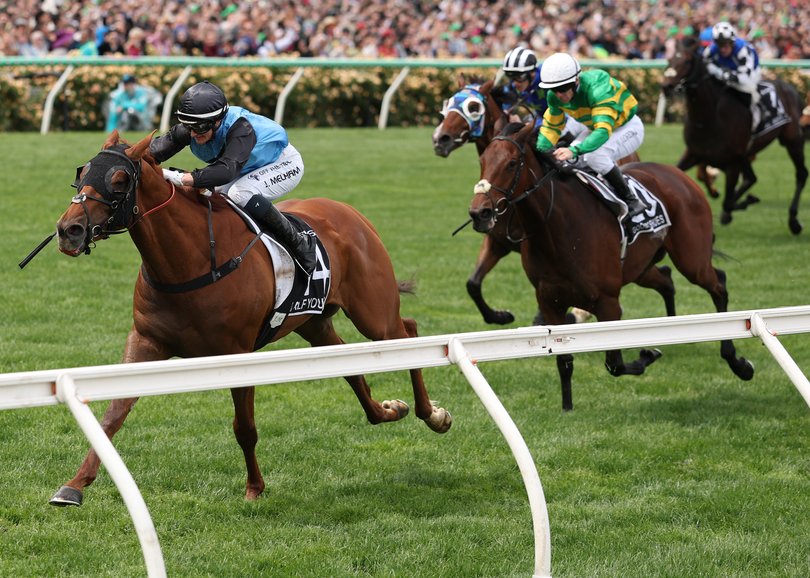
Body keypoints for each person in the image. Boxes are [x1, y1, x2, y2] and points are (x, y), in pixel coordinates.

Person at [150, 81, 316, 275]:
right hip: (244, 166)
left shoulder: (241, 128)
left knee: (240, 194)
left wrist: (179, 178)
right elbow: (152, 153)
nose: (193, 133)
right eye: (188, 126)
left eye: (200, 127)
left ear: (217, 120)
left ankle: (299, 243)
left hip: (280, 163)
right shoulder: (192, 128)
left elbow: (225, 171)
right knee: (209, 198)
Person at [535, 52, 647, 219]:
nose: (558, 94)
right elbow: (552, 125)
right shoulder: (554, 97)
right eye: (553, 89)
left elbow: (603, 131)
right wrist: (541, 148)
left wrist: (574, 150)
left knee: (595, 156)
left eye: (562, 89)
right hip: (595, 128)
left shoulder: (597, 89)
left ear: (576, 81)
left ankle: (631, 200)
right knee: (567, 160)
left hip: (626, 127)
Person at [498, 46, 586, 143]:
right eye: (511, 77)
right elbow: (505, 100)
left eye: (519, 77)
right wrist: (510, 114)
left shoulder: (549, 79)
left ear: (531, 73)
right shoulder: (516, 84)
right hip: (544, 117)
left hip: (571, 115)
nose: (515, 83)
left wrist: (536, 126)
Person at [702, 22, 762, 131]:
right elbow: (704, 61)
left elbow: (746, 74)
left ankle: (755, 112)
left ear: (732, 42)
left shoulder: (743, 50)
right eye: (719, 45)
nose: (722, 49)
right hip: (728, 72)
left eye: (725, 45)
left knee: (750, 88)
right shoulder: (712, 49)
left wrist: (729, 76)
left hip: (750, 73)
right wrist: (719, 72)